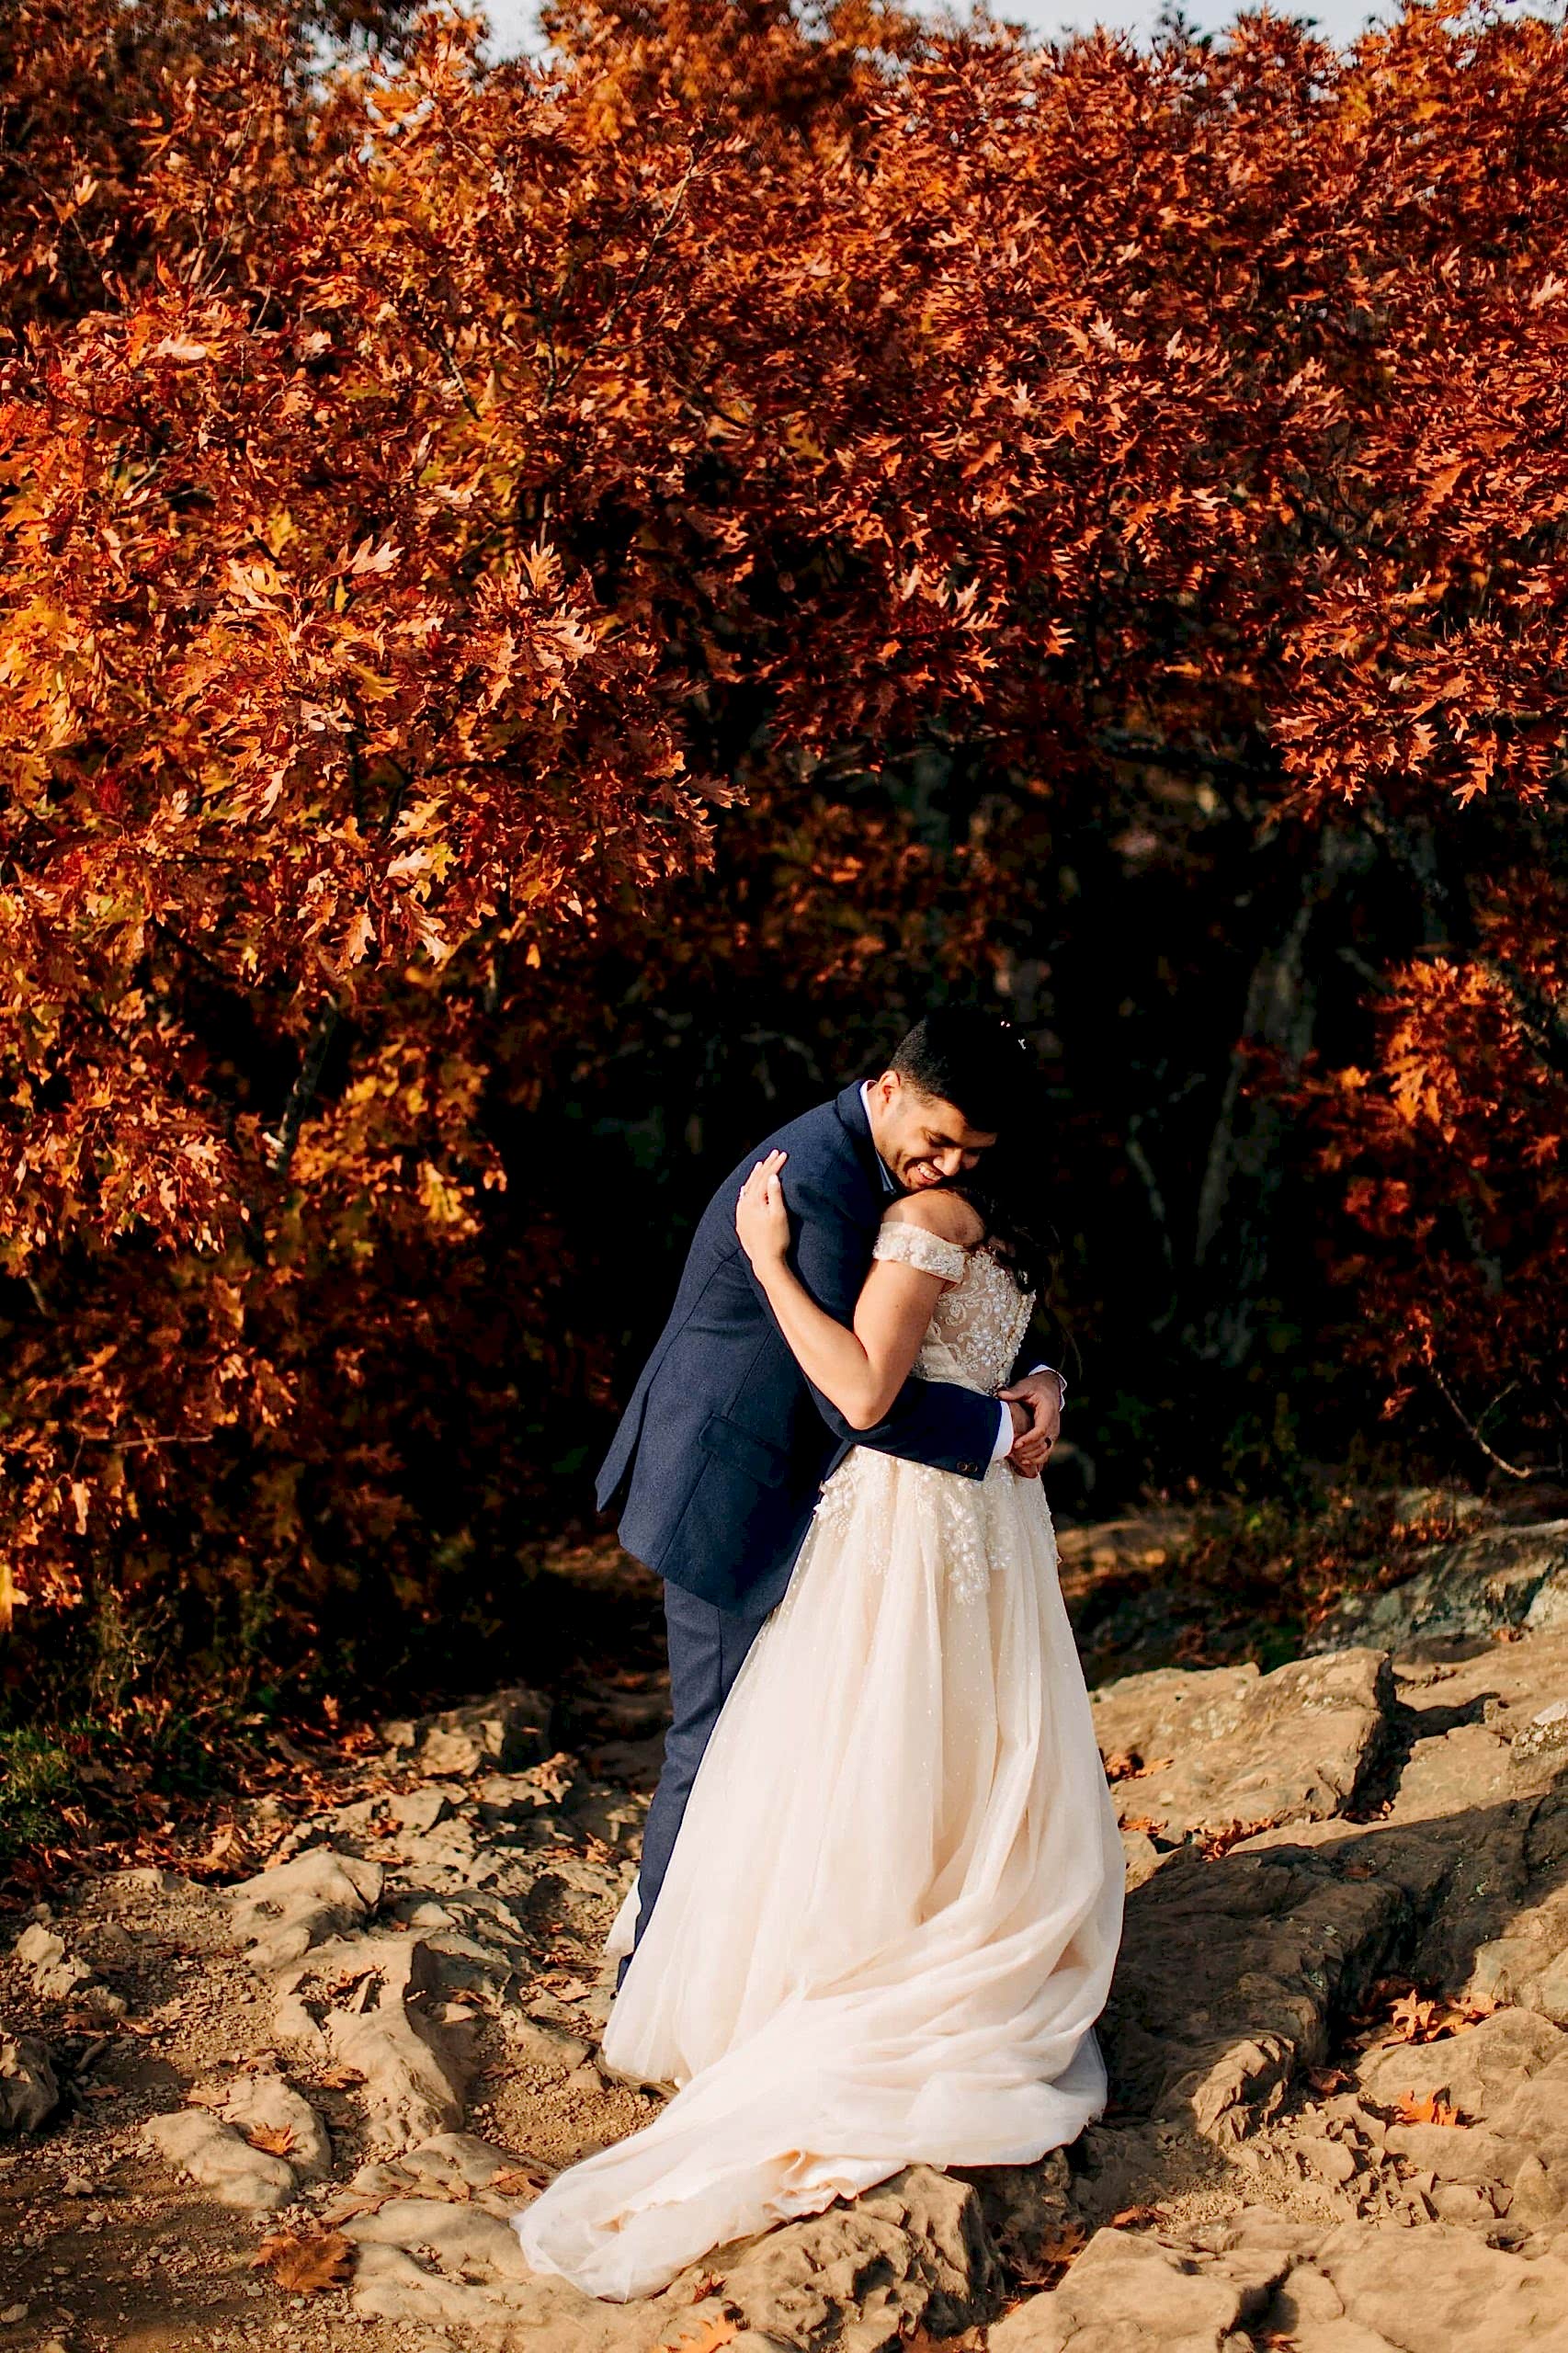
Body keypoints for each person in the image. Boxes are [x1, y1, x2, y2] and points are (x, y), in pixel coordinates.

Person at [511, 1013, 1124, 2301]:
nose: (943, 1165)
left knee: (828, 1736)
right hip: (736, 1481)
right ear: (886, 1088)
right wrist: (1004, 1415)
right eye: (934, 1137)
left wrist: (1040, 1381)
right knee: (723, 1737)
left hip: (851, 1491)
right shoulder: (814, 1179)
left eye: (968, 1151)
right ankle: (658, 1984)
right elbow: (872, 1391)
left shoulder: (922, 1184)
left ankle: (796, 1948)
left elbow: (965, 1321)